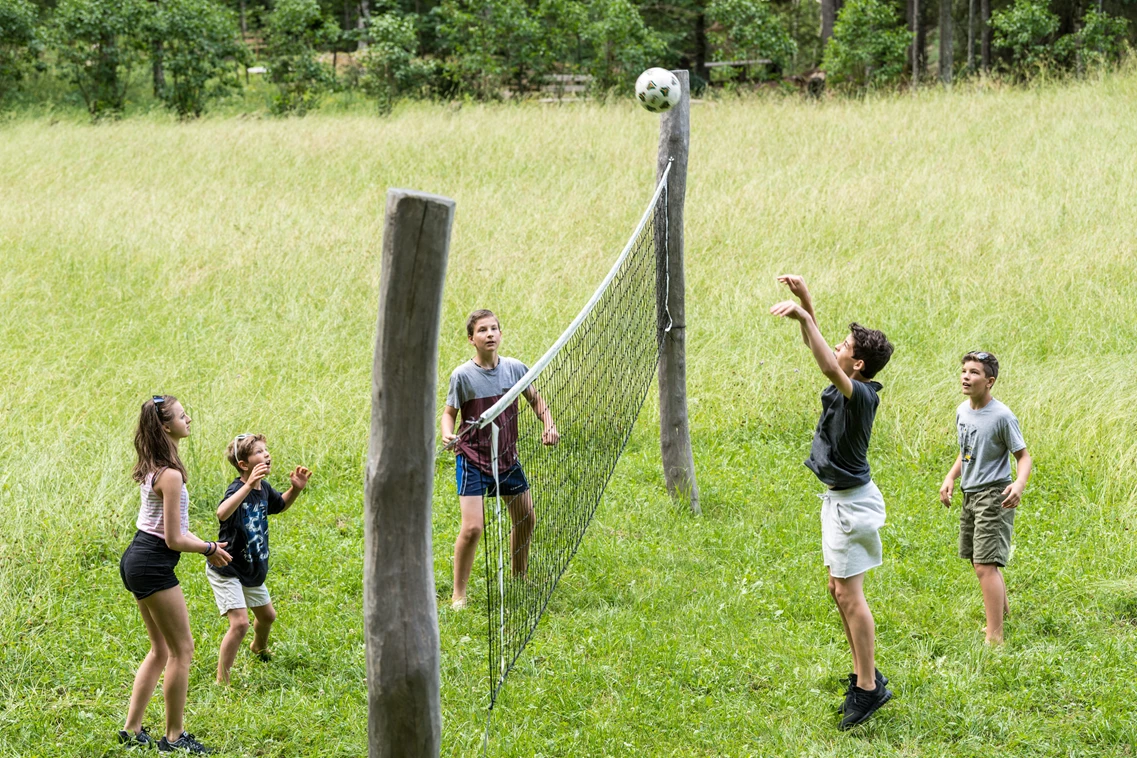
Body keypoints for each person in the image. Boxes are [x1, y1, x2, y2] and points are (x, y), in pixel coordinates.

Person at [770, 276, 895, 730]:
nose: (835, 347)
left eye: (844, 345)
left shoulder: (859, 395)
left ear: (857, 365)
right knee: (836, 590)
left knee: (849, 594)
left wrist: (805, 315)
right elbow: (820, 350)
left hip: (852, 505)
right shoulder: (852, 380)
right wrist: (807, 302)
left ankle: (867, 688)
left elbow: (826, 364)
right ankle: (866, 673)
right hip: (840, 500)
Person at [118, 395, 231, 754]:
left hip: (138, 558)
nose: (190, 419)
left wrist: (208, 545)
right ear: (167, 426)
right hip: (151, 562)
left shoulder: (155, 466)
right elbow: (174, 538)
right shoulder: (169, 474)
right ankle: (174, 737)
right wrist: (209, 549)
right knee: (182, 650)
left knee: (160, 649)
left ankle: (132, 729)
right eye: (183, 416)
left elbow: (178, 528)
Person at [440, 309, 558, 610]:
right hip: (473, 458)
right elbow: (449, 413)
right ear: (471, 339)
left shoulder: (516, 369)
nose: (490, 334)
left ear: (501, 335)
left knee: (526, 519)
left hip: (506, 459)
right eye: (482, 330)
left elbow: (535, 399)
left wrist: (549, 424)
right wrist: (446, 434)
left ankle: (520, 576)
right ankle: (458, 594)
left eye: (494, 328)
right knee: (472, 529)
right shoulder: (462, 376)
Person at [939, 351, 1031, 645]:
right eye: (964, 370)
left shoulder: (1002, 416)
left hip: (994, 494)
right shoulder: (962, 411)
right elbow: (966, 450)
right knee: (978, 560)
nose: (966, 376)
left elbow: (1023, 456)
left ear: (989, 381)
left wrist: (1019, 483)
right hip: (971, 492)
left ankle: (995, 635)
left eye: (975, 372)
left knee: (984, 564)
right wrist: (951, 477)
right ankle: (1000, 615)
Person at [208, 433, 311, 684]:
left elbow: (279, 505)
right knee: (240, 623)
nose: (266, 454)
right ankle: (223, 680)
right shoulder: (237, 489)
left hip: (252, 566)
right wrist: (247, 485)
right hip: (227, 567)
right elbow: (222, 513)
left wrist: (295, 490)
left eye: (266, 450)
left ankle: (259, 648)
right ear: (244, 465)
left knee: (267, 617)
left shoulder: (263, 488)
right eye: (258, 452)